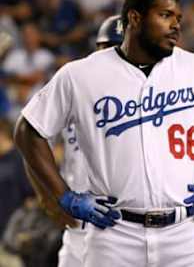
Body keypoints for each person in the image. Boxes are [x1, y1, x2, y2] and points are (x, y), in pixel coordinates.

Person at [13, 0, 194, 267]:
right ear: (135, 17)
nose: (176, 26)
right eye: (165, 15)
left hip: (183, 233)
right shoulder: (81, 74)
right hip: (113, 233)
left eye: (178, 18)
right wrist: (64, 196)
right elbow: (27, 130)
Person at [57, 14, 124, 267]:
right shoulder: (73, 87)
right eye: (109, 48)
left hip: (120, 229)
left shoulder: (144, 99)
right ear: (97, 49)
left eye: (120, 48)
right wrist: (52, 196)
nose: (113, 56)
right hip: (76, 225)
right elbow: (32, 136)